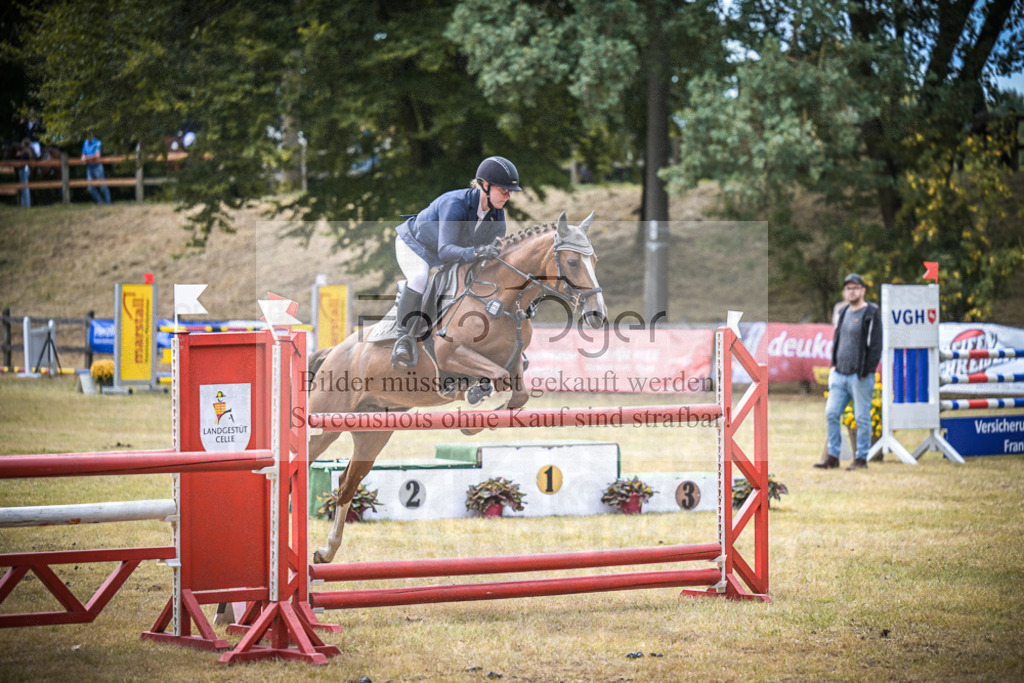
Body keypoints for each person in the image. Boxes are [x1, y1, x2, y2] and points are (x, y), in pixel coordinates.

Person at [390, 156, 522, 368]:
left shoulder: (496, 216)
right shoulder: (455, 204)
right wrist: (478, 252)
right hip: (416, 245)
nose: (508, 195)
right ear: (485, 186)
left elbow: (492, 256)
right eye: (503, 190)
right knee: (419, 278)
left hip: (448, 252)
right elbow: (445, 251)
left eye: (510, 191)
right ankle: (403, 338)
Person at [815, 273, 882, 470]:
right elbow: (838, 339)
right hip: (839, 374)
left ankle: (861, 458)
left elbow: (876, 346)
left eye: (855, 288)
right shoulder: (843, 311)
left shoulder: (871, 313)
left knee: (862, 417)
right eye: (848, 288)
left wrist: (866, 370)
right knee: (831, 413)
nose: (851, 291)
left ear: (862, 290)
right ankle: (833, 457)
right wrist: (833, 364)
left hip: (859, 376)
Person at [81, 131, 112, 204]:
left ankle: (108, 203)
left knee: (102, 186)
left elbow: (97, 156)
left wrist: (86, 158)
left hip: (98, 167)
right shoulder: (85, 142)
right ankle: (100, 202)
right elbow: (83, 154)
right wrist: (83, 158)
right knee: (90, 188)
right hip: (90, 167)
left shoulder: (97, 142)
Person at [17, 139, 33, 208]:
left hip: (24, 170)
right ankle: (24, 204)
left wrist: (19, 155)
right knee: (23, 187)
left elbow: (22, 161)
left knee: (25, 187)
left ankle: (26, 205)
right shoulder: (25, 152)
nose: (21, 144)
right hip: (23, 170)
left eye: (22, 143)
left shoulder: (26, 152)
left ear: (24, 144)